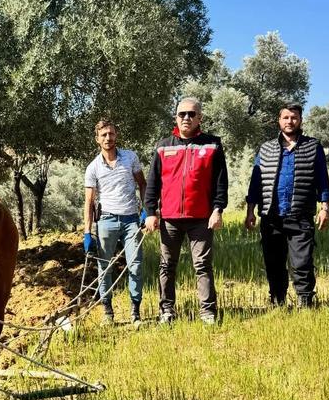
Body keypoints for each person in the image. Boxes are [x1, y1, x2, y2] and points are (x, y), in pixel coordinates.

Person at [144, 97, 228, 325]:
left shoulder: (212, 145)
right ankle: (166, 311)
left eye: (191, 114)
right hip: (169, 218)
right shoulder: (163, 146)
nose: (186, 118)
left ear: (200, 118)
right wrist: (151, 211)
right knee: (166, 265)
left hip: (201, 218)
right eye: (182, 114)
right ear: (176, 117)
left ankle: (208, 313)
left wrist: (218, 209)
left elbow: (221, 182)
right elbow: (153, 183)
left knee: (202, 265)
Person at [245, 102, 329, 307]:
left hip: (300, 215)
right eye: (286, 117)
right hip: (271, 216)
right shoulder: (266, 148)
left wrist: (325, 207)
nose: (290, 121)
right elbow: (255, 183)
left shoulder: (313, 146)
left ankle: (305, 302)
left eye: (294, 117)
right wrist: (250, 211)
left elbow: (322, 180)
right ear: (279, 120)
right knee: (273, 263)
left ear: (300, 120)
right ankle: (277, 302)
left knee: (302, 262)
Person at [83, 119, 147, 326]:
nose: (108, 138)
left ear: (116, 135)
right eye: (103, 135)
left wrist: (147, 210)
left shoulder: (131, 158)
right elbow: (89, 201)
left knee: (135, 266)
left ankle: (135, 311)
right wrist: (87, 232)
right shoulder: (93, 167)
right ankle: (108, 312)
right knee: (105, 268)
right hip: (106, 222)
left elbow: (143, 184)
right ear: (97, 139)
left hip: (131, 221)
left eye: (111, 134)